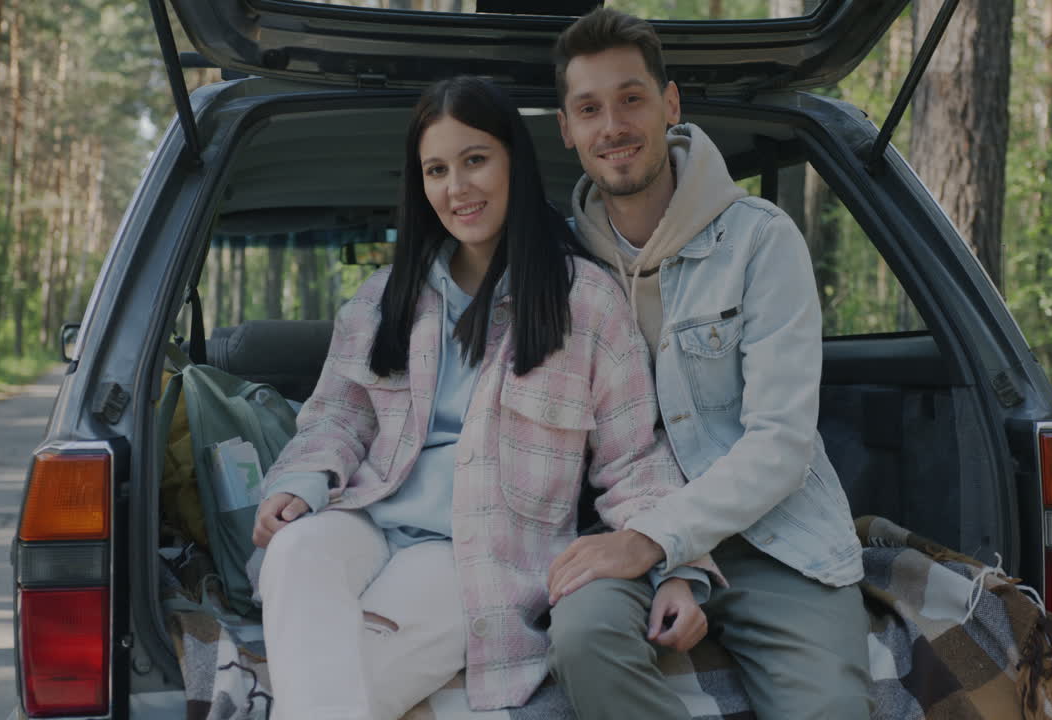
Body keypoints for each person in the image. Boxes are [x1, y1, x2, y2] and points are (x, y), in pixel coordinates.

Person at [250, 75, 714, 720]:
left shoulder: (586, 300)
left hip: (475, 554)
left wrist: (679, 569)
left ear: (513, 163)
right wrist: (301, 480)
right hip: (364, 512)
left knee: (348, 684)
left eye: (475, 160)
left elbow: (632, 457)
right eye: (436, 169)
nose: (457, 188)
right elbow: (338, 417)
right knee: (295, 549)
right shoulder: (382, 299)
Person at [544, 9, 872, 720]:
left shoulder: (759, 240)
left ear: (671, 104)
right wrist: (651, 551)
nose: (613, 127)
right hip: (624, 518)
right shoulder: (560, 268)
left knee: (832, 710)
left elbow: (781, 446)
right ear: (567, 128)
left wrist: (659, 545)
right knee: (581, 636)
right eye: (589, 108)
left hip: (775, 535)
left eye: (632, 98)